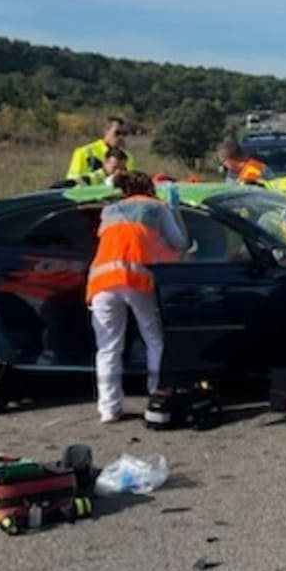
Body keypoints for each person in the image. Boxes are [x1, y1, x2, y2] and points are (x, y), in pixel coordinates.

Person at [86, 172, 188, 423]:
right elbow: (180, 242)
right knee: (154, 338)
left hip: (101, 282)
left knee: (108, 348)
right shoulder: (156, 207)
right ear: (150, 189)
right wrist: (175, 212)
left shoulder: (109, 210)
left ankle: (108, 409)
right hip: (136, 280)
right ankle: (158, 395)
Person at [66, 118, 134, 185]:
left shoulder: (128, 156)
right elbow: (72, 182)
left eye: (124, 134)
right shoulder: (84, 152)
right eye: (117, 133)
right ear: (106, 131)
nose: (121, 137)